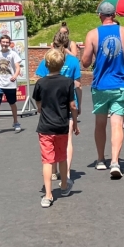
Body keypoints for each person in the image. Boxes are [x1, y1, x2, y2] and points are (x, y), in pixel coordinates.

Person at [81, 1, 124, 179]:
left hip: (100, 85)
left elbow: (85, 62)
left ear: (100, 15)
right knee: (117, 124)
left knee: (100, 124)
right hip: (119, 83)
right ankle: (115, 161)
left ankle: (99, 160)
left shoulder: (92, 34)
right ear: (114, 15)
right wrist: (123, 53)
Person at [33, 48, 79, 208]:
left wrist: (41, 109)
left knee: (47, 160)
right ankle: (65, 186)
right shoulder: (68, 82)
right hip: (62, 125)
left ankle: (48, 195)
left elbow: (38, 103)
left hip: (45, 126)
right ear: (62, 64)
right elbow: (72, 105)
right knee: (62, 157)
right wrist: (76, 123)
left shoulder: (40, 83)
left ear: (46, 64)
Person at [35, 30, 82, 178]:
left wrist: (40, 106)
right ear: (68, 44)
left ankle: (53, 171)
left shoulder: (47, 60)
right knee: (66, 140)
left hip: (49, 105)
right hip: (67, 103)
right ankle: (66, 172)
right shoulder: (73, 61)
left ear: (52, 44)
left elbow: (40, 83)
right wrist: (78, 105)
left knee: (50, 140)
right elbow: (78, 85)